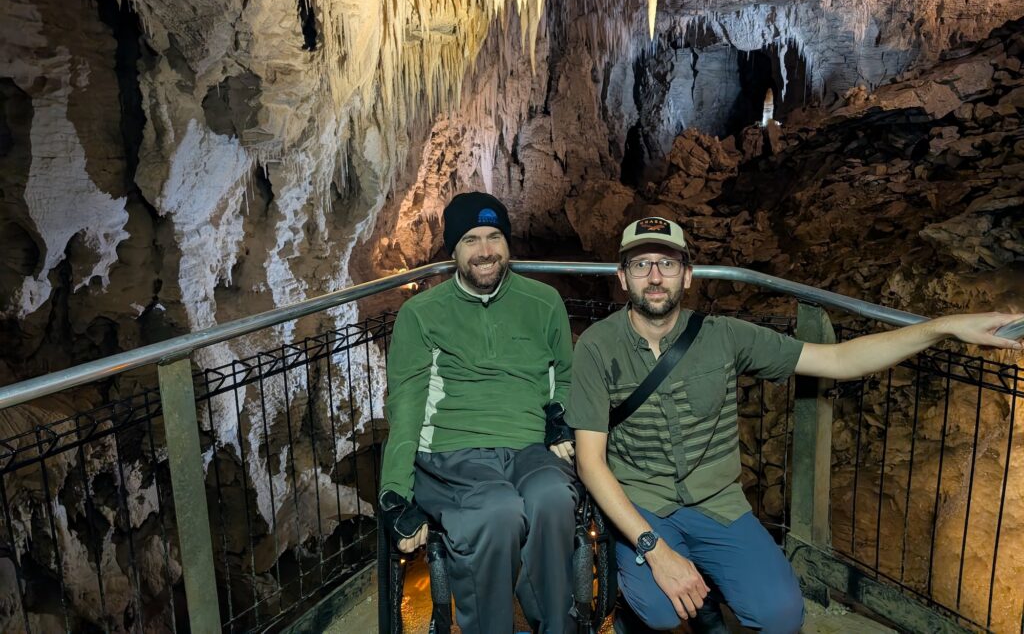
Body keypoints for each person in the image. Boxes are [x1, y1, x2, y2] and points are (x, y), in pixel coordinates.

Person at [567, 216, 1023, 634]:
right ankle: (652, 591)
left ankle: (700, 579)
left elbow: (840, 359)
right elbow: (591, 461)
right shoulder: (597, 346)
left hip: (716, 504)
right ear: (622, 277)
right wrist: (655, 549)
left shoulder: (725, 336)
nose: (654, 276)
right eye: (641, 264)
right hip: (643, 505)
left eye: (667, 263)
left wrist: (942, 327)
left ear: (687, 275)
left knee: (781, 614)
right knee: (662, 610)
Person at [378, 191, 579, 634]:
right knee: (496, 511)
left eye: (494, 237)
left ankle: (558, 627)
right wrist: (394, 491)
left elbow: (562, 376)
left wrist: (558, 417)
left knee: (552, 499)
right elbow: (406, 408)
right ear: (454, 251)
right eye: (471, 239)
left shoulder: (545, 303)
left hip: (527, 447)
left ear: (508, 243)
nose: (485, 251)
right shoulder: (421, 315)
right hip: (452, 452)